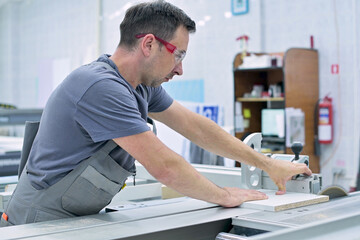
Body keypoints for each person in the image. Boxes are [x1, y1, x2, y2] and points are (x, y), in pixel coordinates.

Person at [0, 0, 311, 227]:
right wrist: (223, 196)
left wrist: (269, 164)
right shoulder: (99, 86)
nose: (180, 68)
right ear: (148, 44)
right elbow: (165, 166)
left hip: (76, 218)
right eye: (178, 55)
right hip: (39, 221)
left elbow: (197, 128)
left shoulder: (139, 86)